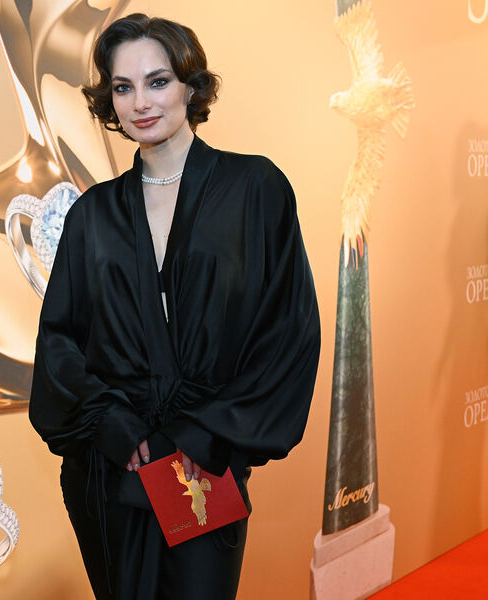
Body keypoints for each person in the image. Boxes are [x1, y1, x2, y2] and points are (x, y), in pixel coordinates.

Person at [29, 13, 321, 599]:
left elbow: (289, 331)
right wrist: (110, 424)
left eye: (157, 81)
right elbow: (59, 342)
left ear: (191, 85)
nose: (141, 102)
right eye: (123, 87)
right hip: (113, 468)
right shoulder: (92, 216)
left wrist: (206, 431)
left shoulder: (255, 189)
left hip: (201, 466)